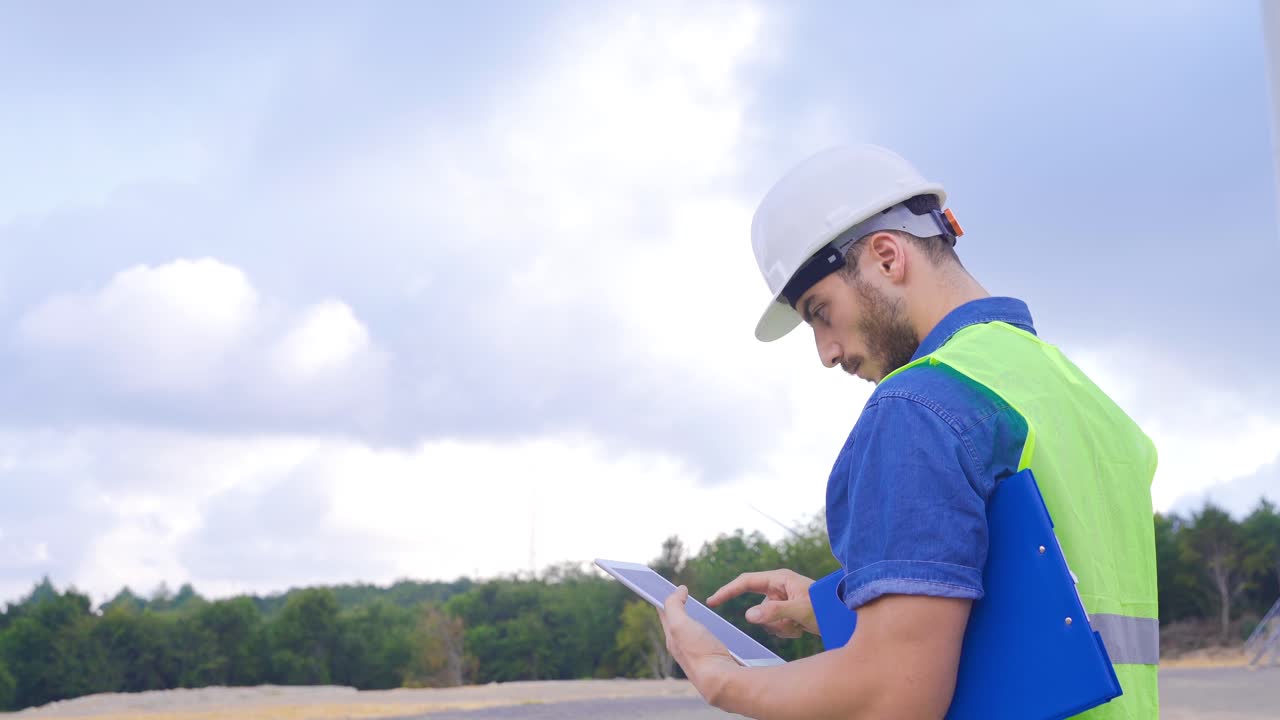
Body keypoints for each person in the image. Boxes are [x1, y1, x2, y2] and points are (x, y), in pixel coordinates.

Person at [657, 145, 1159, 719]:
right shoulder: (1083, 398)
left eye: (820, 312)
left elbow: (891, 694)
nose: (826, 352)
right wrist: (831, 605)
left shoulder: (918, 405)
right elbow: (1047, 600)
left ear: (888, 257)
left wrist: (719, 678)